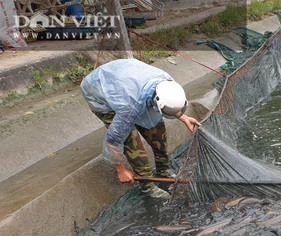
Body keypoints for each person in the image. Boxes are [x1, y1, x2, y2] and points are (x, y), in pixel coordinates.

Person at [81, 58, 201, 198]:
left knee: (157, 130)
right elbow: (114, 139)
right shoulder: (129, 107)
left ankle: (164, 170)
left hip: (127, 79)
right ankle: (148, 186)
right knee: (129, 137)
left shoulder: (167, 82)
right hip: (99, 91)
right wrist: (120, 170)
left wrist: (184, 117)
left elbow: (168, 105)